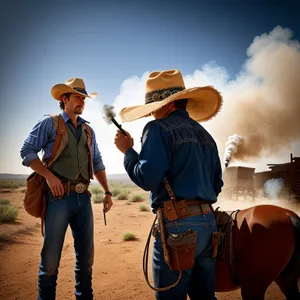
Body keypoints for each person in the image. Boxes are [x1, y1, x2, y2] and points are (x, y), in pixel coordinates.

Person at [114, 69, 223, 300]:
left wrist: (128, 152)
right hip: (209, 224)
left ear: (166, 105)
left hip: (178, 227)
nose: (153, 114)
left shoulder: (157, 129)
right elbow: (217, 184)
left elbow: (146, 178)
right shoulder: (206, 135)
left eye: (154, 108)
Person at [20, 78, 113, 300]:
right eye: (77, 97)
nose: (82, 101)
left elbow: (97, 163)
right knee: (50, 262)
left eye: (83, 98)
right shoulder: (49, 123)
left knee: (86, 262)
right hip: (58, 199)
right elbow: (27, 151)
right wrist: (49, 177)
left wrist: (108, 192)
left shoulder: (88, 130)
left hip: (84, 200)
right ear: (65, 99)